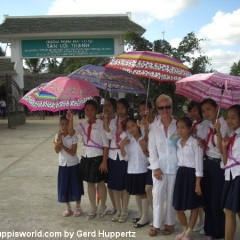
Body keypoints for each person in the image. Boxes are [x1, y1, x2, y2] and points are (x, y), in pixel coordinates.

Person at [67, 99, 109, 220]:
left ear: (96, 110)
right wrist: (70, 120)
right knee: (90, 183)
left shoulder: (101, 124)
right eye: (87, 110)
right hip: (86, 157)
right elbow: (71, 133)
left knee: (100, 183)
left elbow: (105, 144)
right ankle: (92, 207)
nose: (89, 112)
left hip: (98, 157)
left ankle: (103, 205)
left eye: (92, 109)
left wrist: (104, 161)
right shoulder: (83, 125)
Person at [200, 98, 230, 240]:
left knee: (215, 202)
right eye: (203, 111)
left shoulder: (224, 125)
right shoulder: (208, 124)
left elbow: (221, 149)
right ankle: (209, 230)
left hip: (219, 166)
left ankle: (219, 232)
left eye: (208, 109)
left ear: (216, 107)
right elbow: (209, 145)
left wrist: (218, 132)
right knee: (206, 200)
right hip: (207, 164)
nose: (206, 113)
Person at [148, 94, 178, 237]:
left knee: (171, 196)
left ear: (172, 107)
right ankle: (156, 224)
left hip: (175, 166)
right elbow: (151, 148)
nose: (164, 110)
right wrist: (155, 167)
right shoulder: (154, 126)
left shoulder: (178, 124)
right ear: (157, 109)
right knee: (157, 196)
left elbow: (180, 144)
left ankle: (170, 223)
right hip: (159, 167)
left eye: (167, 107)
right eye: (161, 107)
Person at [173, 117, 203, 240]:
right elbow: (165, 141)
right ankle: (184, 230)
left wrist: (197, 183)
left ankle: (189, 232)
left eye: (183, 127)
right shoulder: (177, 142)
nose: (179, 130)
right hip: (180, 174)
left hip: (192, 175)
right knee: (177, 206)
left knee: (193, 205)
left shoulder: (196, 143)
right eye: (178, 127)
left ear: (190, 128)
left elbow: (199, 164)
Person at [103, 98, 130, 223]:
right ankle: (118, 210)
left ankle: (124, 210)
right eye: (118, 108)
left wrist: (122, 129)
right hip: (113, 155)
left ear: (127, 109)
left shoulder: (131, 121)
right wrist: (107, 126)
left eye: (122, 108)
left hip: (125, 155)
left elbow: (128, 138)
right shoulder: (114, 120)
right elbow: (111, 136)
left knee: (124, 185)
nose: (120, 110)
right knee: (114, 184)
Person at [120, 117, 150, 228]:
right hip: (132, 170)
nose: (131, 129)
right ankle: (141, 213)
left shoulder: (144, 139)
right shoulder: (128, 141)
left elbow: (148, 157)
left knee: (143, 193)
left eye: (133, 126)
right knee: (137, 193)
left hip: (142, 169)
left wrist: (144, 148)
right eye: (128, 127)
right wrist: (122, 146)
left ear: (137, 125)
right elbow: (126, 158)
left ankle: (145, 217)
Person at [54, 114, 84, 217]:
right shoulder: (57, 136)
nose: (65, 126)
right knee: (65, 185)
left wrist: (62, 144)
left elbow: (73, 152)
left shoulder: (73, 137)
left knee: (75, 185)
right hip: (63, 165)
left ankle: (78, 206)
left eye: (67, 124)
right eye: (62, 124)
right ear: (60, 125)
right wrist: (58, 141)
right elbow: (57, 151)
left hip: (73, 164)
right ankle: (68, 207)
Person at [187, 100, 210, 234]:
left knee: (203, 193)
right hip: (195, 161)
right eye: (191, 111)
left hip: (205, 160)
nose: (193, 113)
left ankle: (206, 222)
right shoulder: (194, 124)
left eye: (195, 110)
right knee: (198, 195)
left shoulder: (206, 123)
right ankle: (201, 222)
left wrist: (196, 132)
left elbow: (206, 139)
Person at [135, 100, 157, 225]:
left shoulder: (158, 121)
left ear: (152, 108)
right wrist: (146, 130)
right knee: (148, 189)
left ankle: (157, 217)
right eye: (141, 110)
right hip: (149, 160)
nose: (144, 112)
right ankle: (154, 215)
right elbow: (146, 144)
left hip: (161, 160)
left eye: (146, 109)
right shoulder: (141, 124)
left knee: (152, 189)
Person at [221, 104, 240, 240]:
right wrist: (224, 146)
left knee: (231, 211)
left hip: (239, 176)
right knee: (230, 210)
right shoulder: (233, 135)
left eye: (233, 117)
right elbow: (226, 162)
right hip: (231, 176)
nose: (229, 121)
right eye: (228, 117)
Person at [99, 98, 118, 215]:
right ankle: (115, 205)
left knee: (118, 183)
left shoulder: (117, 121)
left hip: (115, 154)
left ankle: (121, 206)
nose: (106, 108)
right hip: (102, 154)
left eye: (109, 105)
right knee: (109, 182)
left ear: (114, 108)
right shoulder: (100, 121)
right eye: (105, 105)